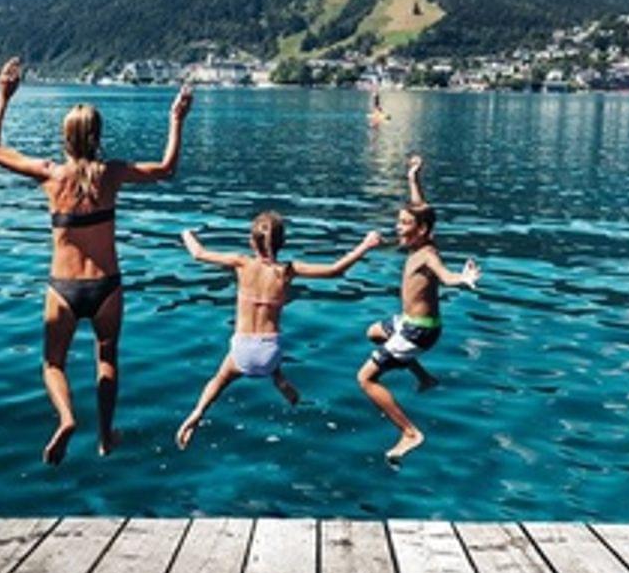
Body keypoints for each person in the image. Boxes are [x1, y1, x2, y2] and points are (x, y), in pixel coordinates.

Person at [0, 57, 193, 465]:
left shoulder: (50, 175)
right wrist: (177, 119)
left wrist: (3, 96)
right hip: (106, 287)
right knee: (107, 358)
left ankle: (67, 418)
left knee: (53, 362)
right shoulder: (113, 173)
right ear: (98, 136)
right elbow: (166, 168)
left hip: (63, 289)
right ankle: (106, 436)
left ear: (65, 137)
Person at [176, 211, 382, 449]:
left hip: (242, 349)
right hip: (269, 351)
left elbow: (198, 253)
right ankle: (280, 379)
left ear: (252, 242)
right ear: (282, 243)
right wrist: (365, 245)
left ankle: (197, 413)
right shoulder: (287, 270)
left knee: (220, 379)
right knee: (270, 353)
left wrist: (186, 234)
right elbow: (335, 270)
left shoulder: (241, 263)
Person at [357, 153, 480, 463]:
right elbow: (421, 209)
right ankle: (425, 378)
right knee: (373, 332)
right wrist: (413, 178)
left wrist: (461, 278)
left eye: (405, 224)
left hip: (418, 331)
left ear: (422, 230)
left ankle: (410, 433)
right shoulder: (421, 239)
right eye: (398, 221)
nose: (398, 228)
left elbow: (445, 275)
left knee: (366, 378)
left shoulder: (427, 255)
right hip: (408, 322)